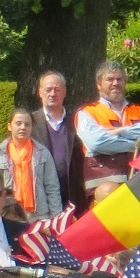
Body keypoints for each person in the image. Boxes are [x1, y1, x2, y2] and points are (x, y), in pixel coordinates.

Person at [75, 61, 140, 200]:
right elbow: (97, 143)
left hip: (139, 184)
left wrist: (120, 131)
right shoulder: (87, 113)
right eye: (109, 79)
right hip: (104, 190)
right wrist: (137, 144)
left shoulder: (138, 111)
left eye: (119, 79)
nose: (115, 83)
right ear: (98, 85)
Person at [27, 70, 86, 212]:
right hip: (42, 196)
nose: (52, 94)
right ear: (40, 93)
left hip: (74, 195)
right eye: (48, 90)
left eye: (57, 89)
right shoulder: (30, 123)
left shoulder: (78, 121)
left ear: (64, 92)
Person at [0, 107, 63, 220]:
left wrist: (56, 218)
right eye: (18, 123)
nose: (23, 127)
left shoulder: (43, 153)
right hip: (10, 215)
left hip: (39, 215)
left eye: (27, 124)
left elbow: (52, 188)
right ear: (9, 126)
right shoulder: (0, 156)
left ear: (32, 127)